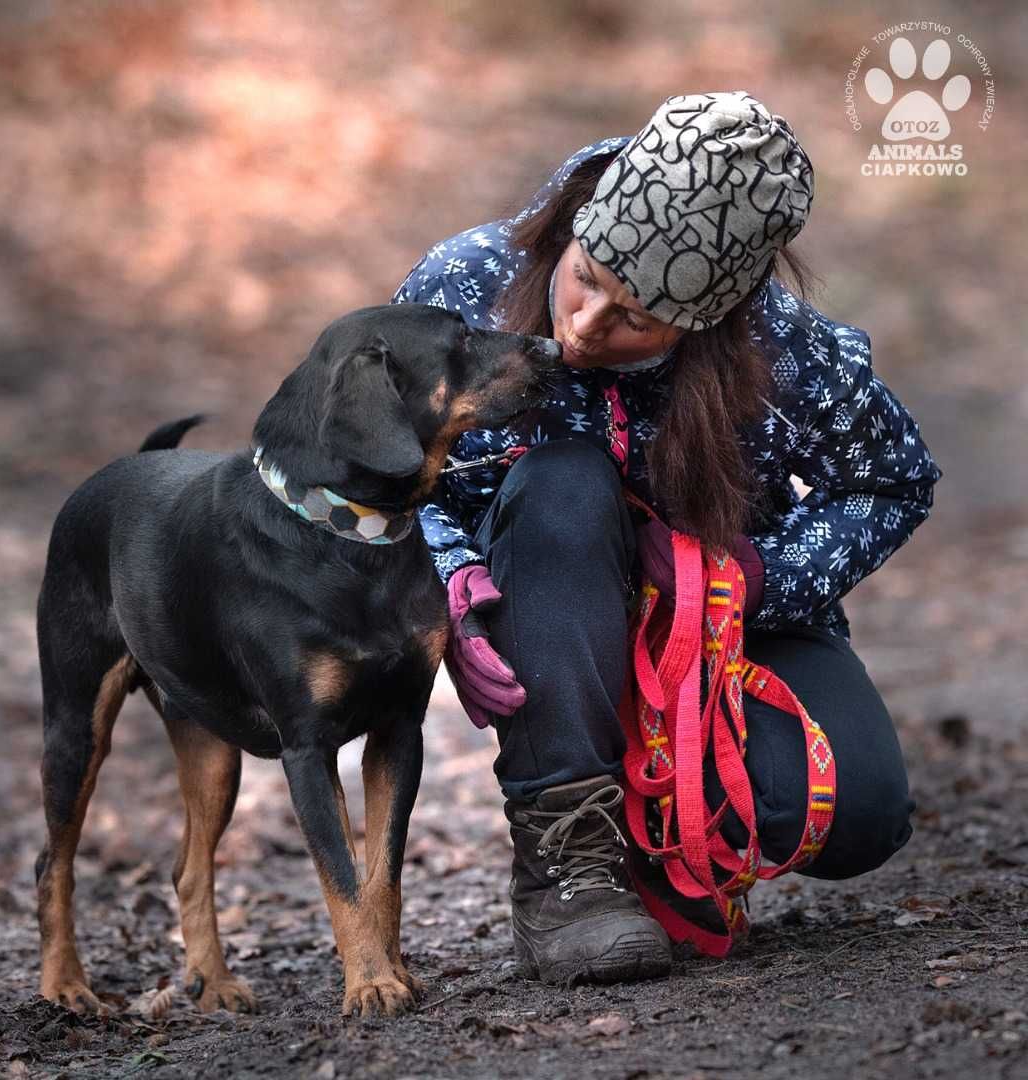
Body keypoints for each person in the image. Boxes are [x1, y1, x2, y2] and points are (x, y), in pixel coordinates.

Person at [391, 91, 941, 985]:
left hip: (726, 626)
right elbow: (384, 469)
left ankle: (665, 840)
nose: (583, 326)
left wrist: (755, 576)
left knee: (860, 812)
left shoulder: (782, 351)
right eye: (586, 276)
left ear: (702, 322)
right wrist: (448, 574)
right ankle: (570, 866)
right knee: (563, 480)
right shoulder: (465, 286)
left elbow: (891, 480)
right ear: (574, 229)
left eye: (634, 319)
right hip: (540, 607)